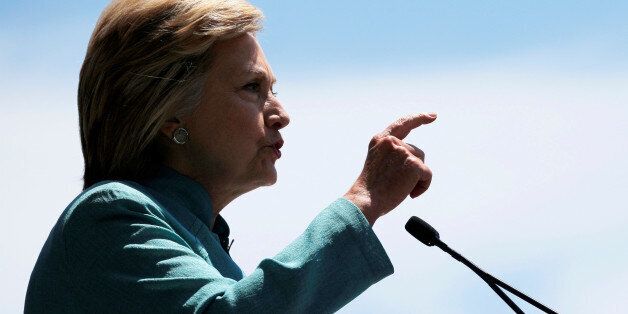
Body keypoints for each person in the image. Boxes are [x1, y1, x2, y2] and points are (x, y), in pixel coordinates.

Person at [25, 0, 436, 313]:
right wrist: (365, 200)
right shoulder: (109, 217)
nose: (281, 114)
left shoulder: (195, 237)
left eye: (274, 88)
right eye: (252, 88)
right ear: (170, 113)